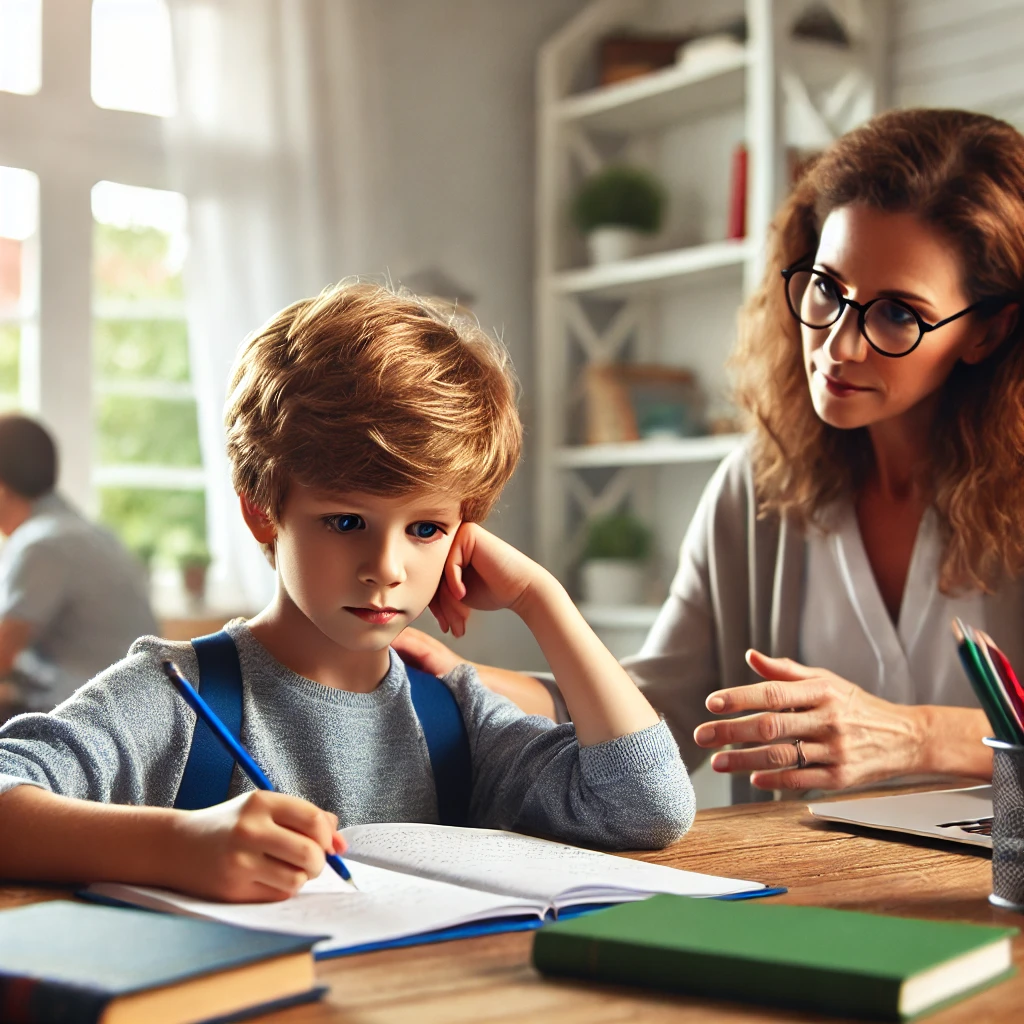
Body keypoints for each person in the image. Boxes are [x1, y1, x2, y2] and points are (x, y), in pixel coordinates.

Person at [395, 107, 1024, 802]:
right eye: (826, 288)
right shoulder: (758, 487)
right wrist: (457, 674)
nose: (839, 345)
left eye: (897, 313)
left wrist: (917, 735)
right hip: (808, 898)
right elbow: (653, 707)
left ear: (988, 332)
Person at [0, 283, 692, 903]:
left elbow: (648, 805)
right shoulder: (171, 694)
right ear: (263, 512)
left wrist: (543, 599)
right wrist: (177, 845)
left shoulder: (453, 715)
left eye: (426, 528)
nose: (386, 567)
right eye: (346, 522)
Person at [0, 415, 157, 719]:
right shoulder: (87, 532)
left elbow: (2, 654)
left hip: (96, 721)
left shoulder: (42, 543)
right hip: (132, 712)